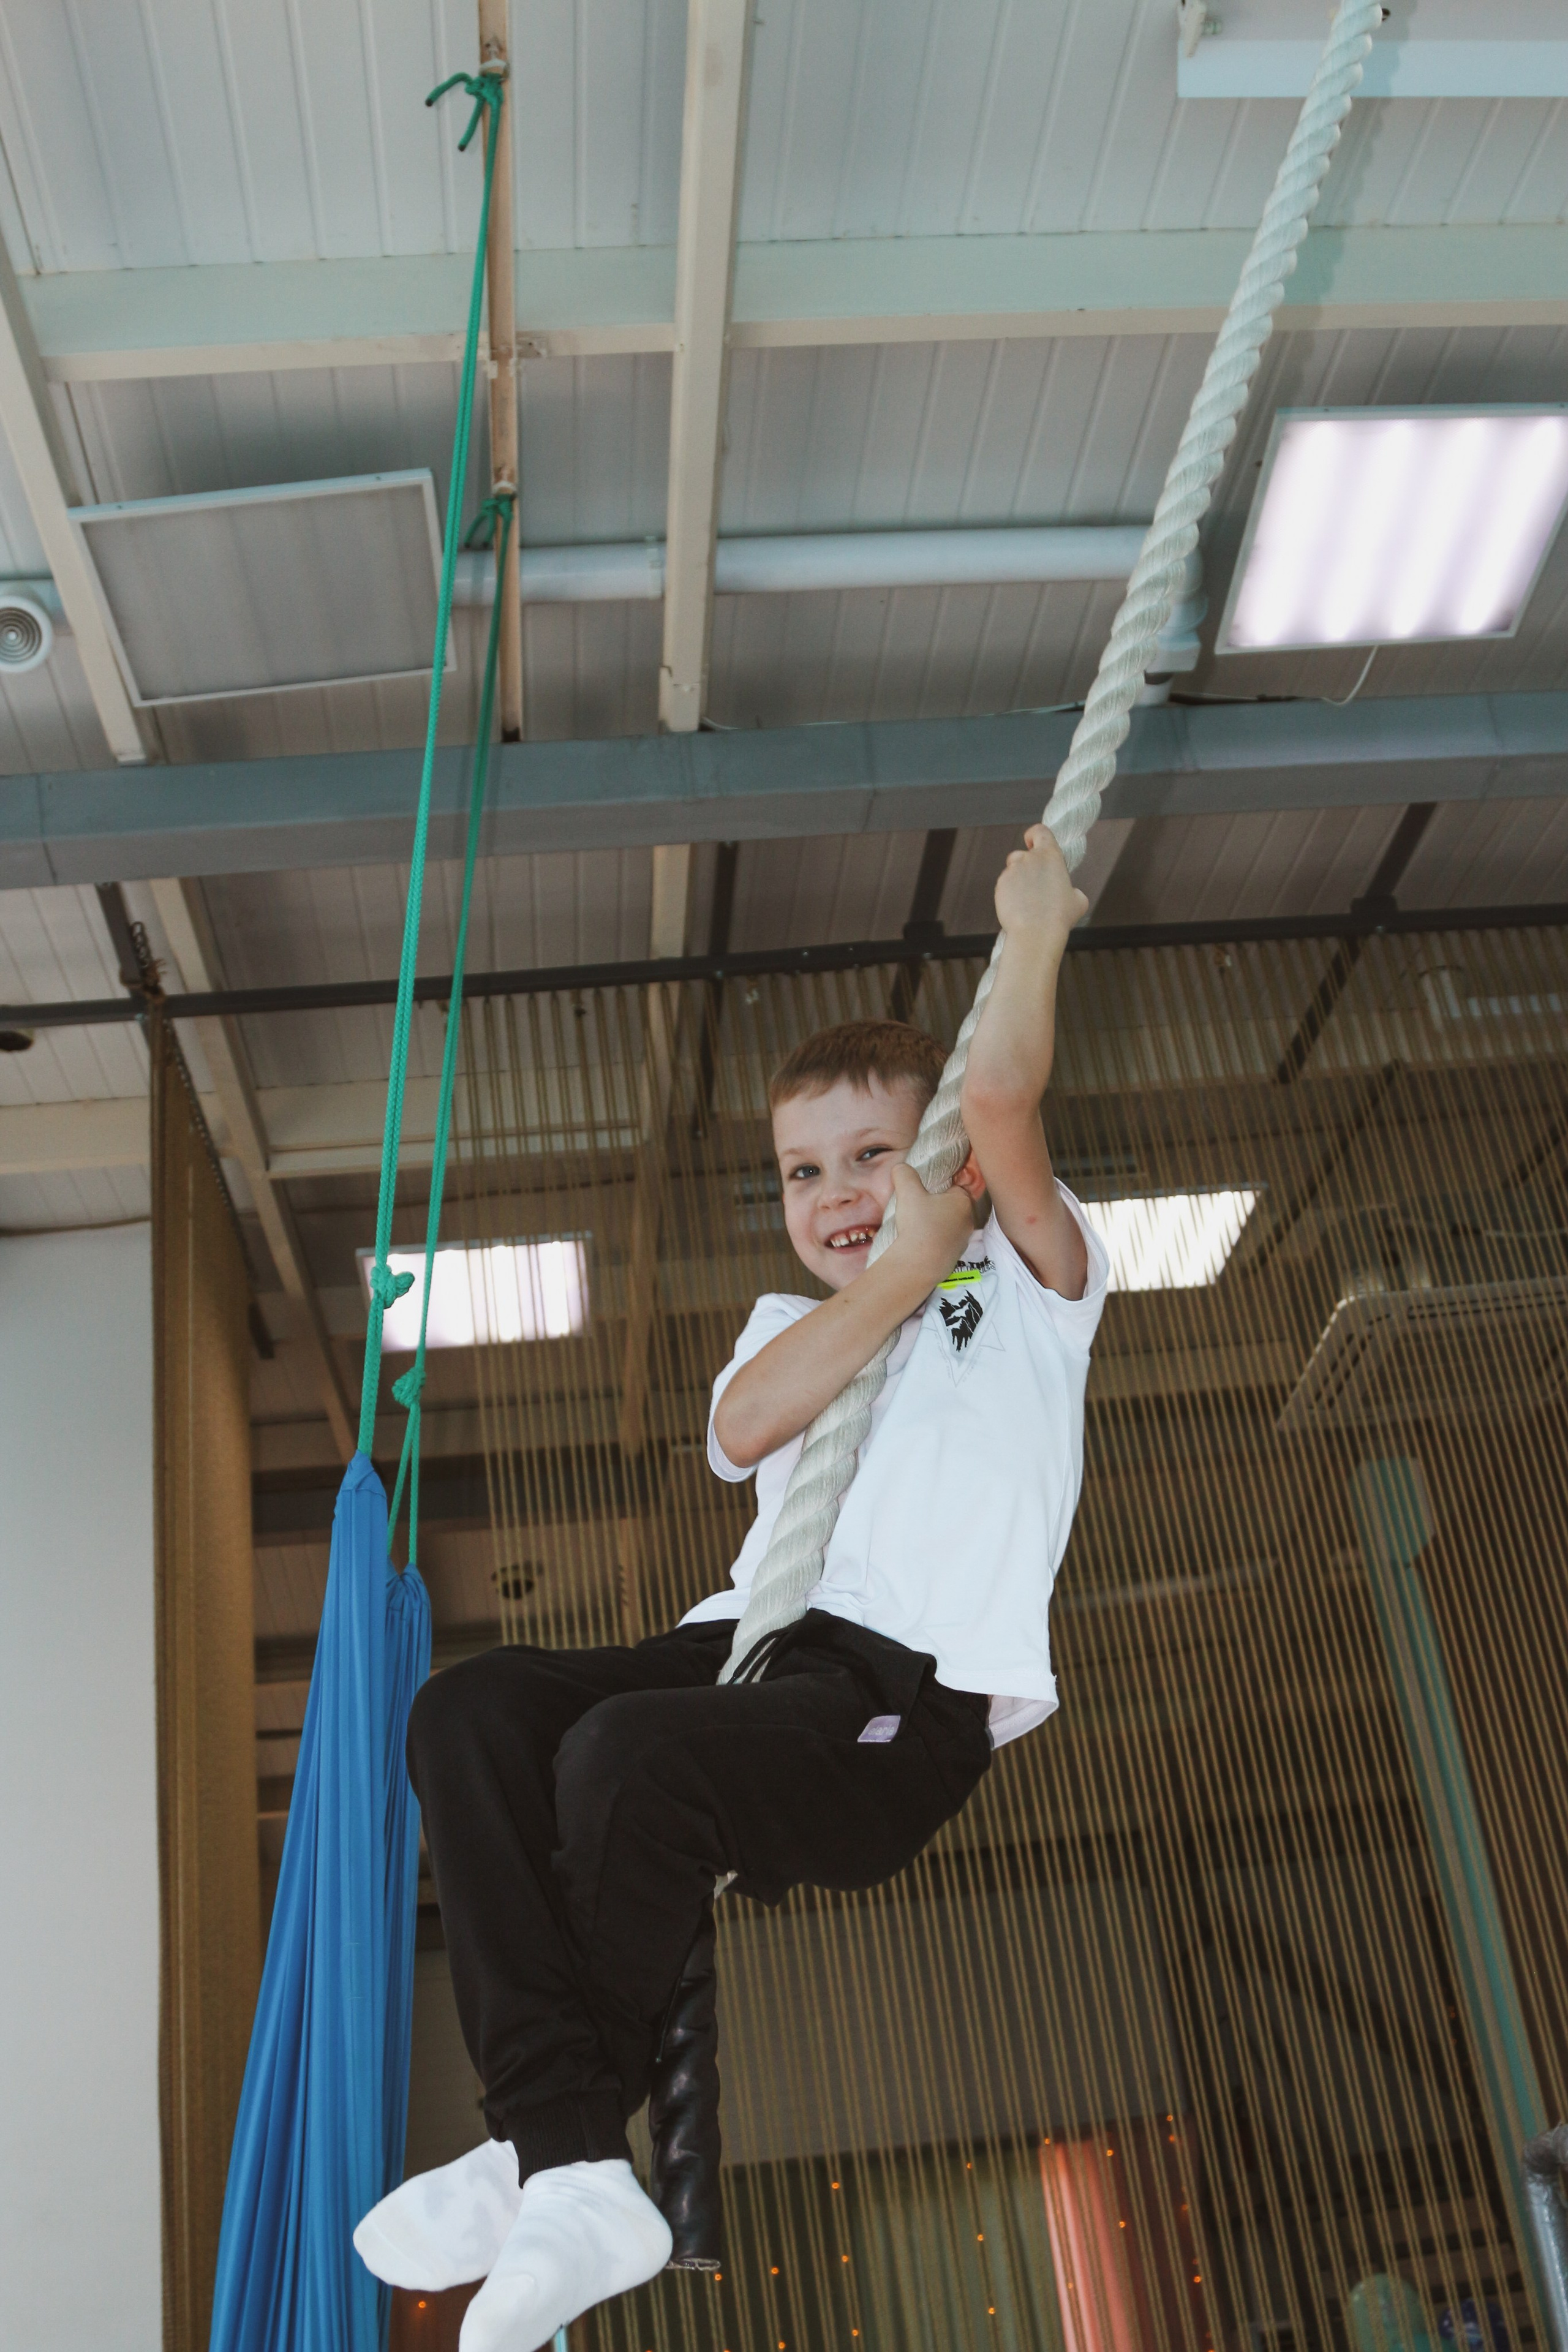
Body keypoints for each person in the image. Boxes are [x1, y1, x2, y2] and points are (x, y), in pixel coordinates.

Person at [353, 824, 1110, 2352]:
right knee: (471, 1714)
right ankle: (564, 2157)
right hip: (746, 1648)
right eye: (800, 1171)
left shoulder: (1029, 1287)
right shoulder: (793, 1319)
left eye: (869, 1158)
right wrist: (892, 1271)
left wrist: (1032, 934)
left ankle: (545, 2153)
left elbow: (1006, 1097)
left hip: (892, 1695)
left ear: (940, 1162)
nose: (835, 1194)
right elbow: (749, 1431)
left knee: (623, 1757)